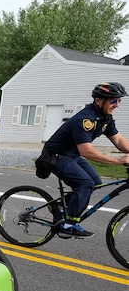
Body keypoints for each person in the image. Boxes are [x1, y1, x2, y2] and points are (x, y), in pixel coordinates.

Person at [41, 82, 129, 238]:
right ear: (98, 101)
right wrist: (117, 161)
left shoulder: (104, 118)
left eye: (119, 101)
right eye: (113, 101)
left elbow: (119, 141)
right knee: (85, 184)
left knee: (95, 182)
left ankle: (62, 206)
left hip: (72, 156)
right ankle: (68, 225)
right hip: (56, 156)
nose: (117, 105)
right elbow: (86, 151)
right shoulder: (85, 119)